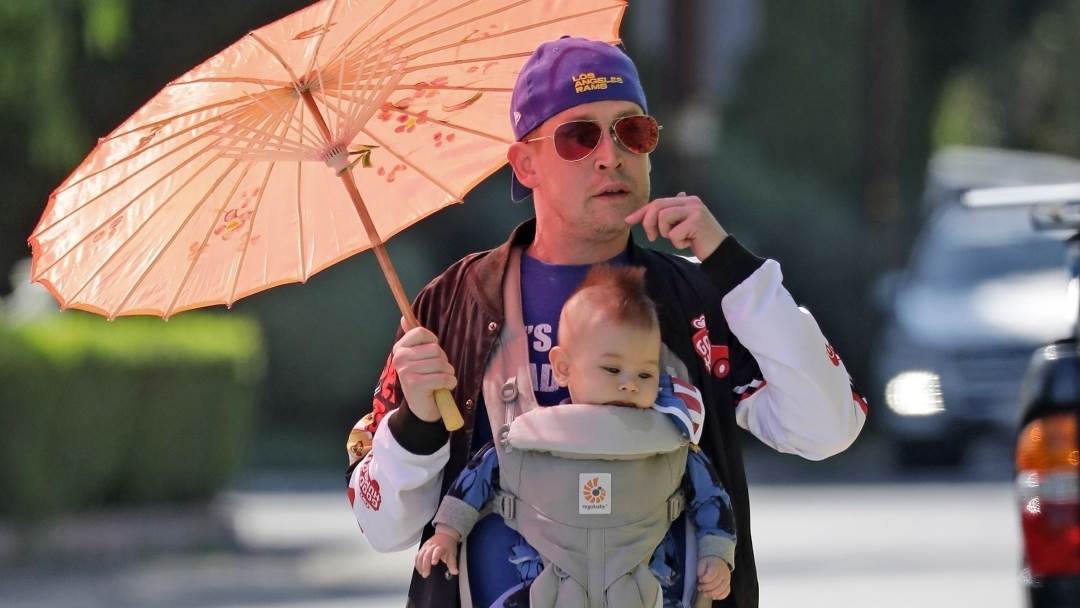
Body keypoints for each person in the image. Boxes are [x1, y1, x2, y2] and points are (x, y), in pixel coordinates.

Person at [346, 36, 868, 608]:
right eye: (579, 136)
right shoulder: (453, 303)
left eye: (632, 132)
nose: (610, 155)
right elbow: (383, 526)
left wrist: (732, 267)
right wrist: (417, 424)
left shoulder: (699, 296)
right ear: (525, 164)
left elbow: (829, 428)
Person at [413, 265, 736, 607]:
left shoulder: (670, 443)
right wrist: (447, 533)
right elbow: (477, 477)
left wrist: (716, 554)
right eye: (612, 369)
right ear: (563, 367)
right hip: (546, 583)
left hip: (641, 585)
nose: (630, 384)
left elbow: (711, 498)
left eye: (645, 374)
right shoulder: (533, 439)